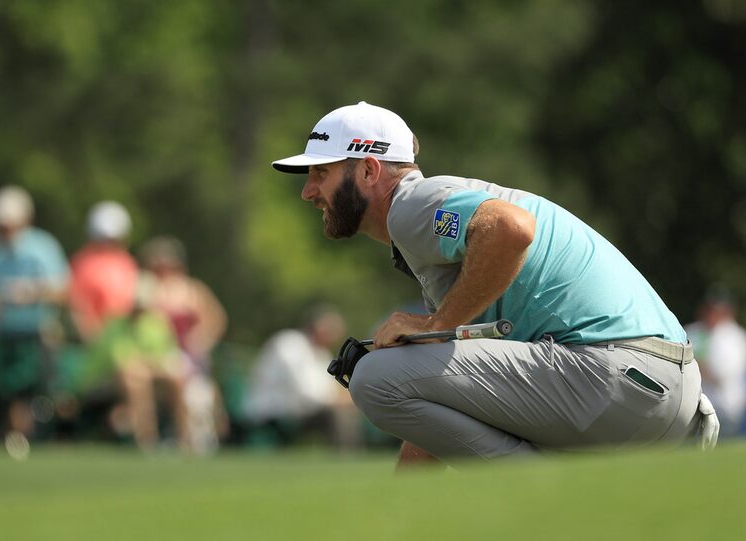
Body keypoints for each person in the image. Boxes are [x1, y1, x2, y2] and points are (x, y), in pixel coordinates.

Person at [271, 101, 719, 467]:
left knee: (372, 377)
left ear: (369, 171)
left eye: (321, 173)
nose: (309, 192)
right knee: (399, 372)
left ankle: (549, 501)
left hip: (621, 382)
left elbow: (511, 228)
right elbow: (435, 425)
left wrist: (435, 324)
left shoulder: (410, 206)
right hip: (666, 395)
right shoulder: (431, 232)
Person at [67, 202, 188, 451]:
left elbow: (164, 354)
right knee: (135, 377)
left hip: (134, 366)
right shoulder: (86, 267)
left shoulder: (151, 316)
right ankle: (148, 441)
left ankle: (186, 442)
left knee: (171, 376)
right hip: (102, 366)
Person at [0, 185, 70, 441]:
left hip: (39, 331)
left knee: (43, 391)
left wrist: (33, 293)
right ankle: (17, 440)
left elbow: (62, 290)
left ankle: (48, 438)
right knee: (10, 391)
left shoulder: (43, 247)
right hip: (6, 331)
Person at [139, 236, 230, 453]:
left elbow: (216, 319)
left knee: (199, 389)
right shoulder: (144, 290)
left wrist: (200, 340)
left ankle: (201, 437)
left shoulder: (192, 290)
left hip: (190, 356)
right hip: (156, 356)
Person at [243, 305, 361, 448]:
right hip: (273, 410)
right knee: (337, 413)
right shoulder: (290, 343)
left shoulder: (321, 353)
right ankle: (346, 458)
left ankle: (351, 456)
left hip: (299, 410)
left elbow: (327, 388)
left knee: (345, 410)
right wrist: (339, 399)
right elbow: (306, 392)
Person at [685, 289, 746, 438]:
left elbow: (724, 374)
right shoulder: (692, 331)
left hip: (726, 408)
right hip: (693, 407)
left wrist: (695, 365)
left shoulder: (734, 337)